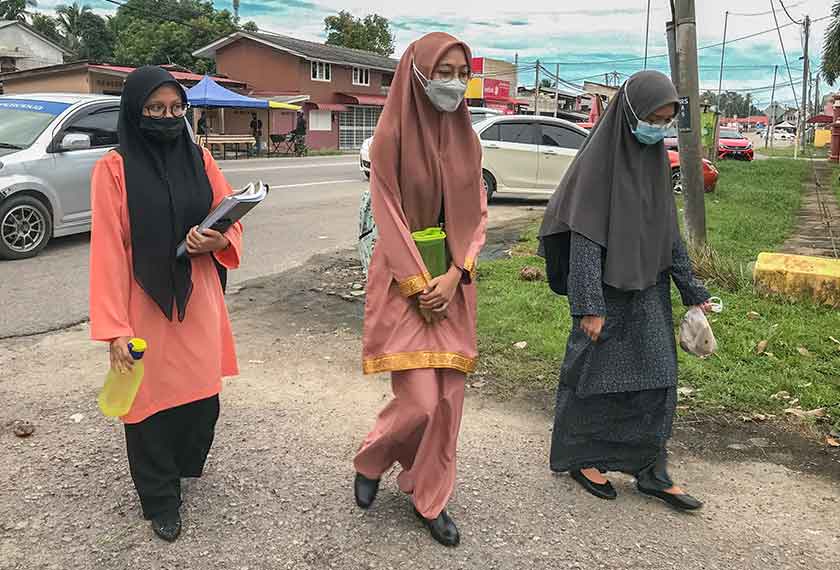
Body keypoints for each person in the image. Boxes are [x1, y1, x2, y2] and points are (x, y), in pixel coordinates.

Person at [539, 70, 713, 511]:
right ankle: (583, 458)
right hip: (604, 293)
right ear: (631, 112)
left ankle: (651, 470)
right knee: (593, 380)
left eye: (667, 120)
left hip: (648, 291)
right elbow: (583, 240)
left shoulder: (654, 161)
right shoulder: (599, 165)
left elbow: (669, 234)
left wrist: (692, 290)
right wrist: (589, 308)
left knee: (658, 380)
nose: (658, 128)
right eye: (653, 118)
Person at [89, 66, 242, 542]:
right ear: (136, 112)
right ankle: (159, 497)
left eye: (176, 108)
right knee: (147, 404)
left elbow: (229, 216)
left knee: (202, 397)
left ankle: (180, 468)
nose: (167, 116)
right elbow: (109, 250)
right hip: (142, 300)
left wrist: (215, 239)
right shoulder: (113, 168)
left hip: (197, 294)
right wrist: (114, 327)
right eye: (155, 109)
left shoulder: (200, 158)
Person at [352, 32, 487, 547]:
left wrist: (456, 274)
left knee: (449, 403)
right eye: (444, 72)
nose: (453, 84)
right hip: (402, 284)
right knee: (420, 403)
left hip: (454, 285)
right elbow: (386, 213)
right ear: (418, 73)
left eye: (461, 73)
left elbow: (476, 213)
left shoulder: (467, 138)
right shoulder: (390, 137)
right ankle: (373, 458)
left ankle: (431, 498)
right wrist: (418, 282)